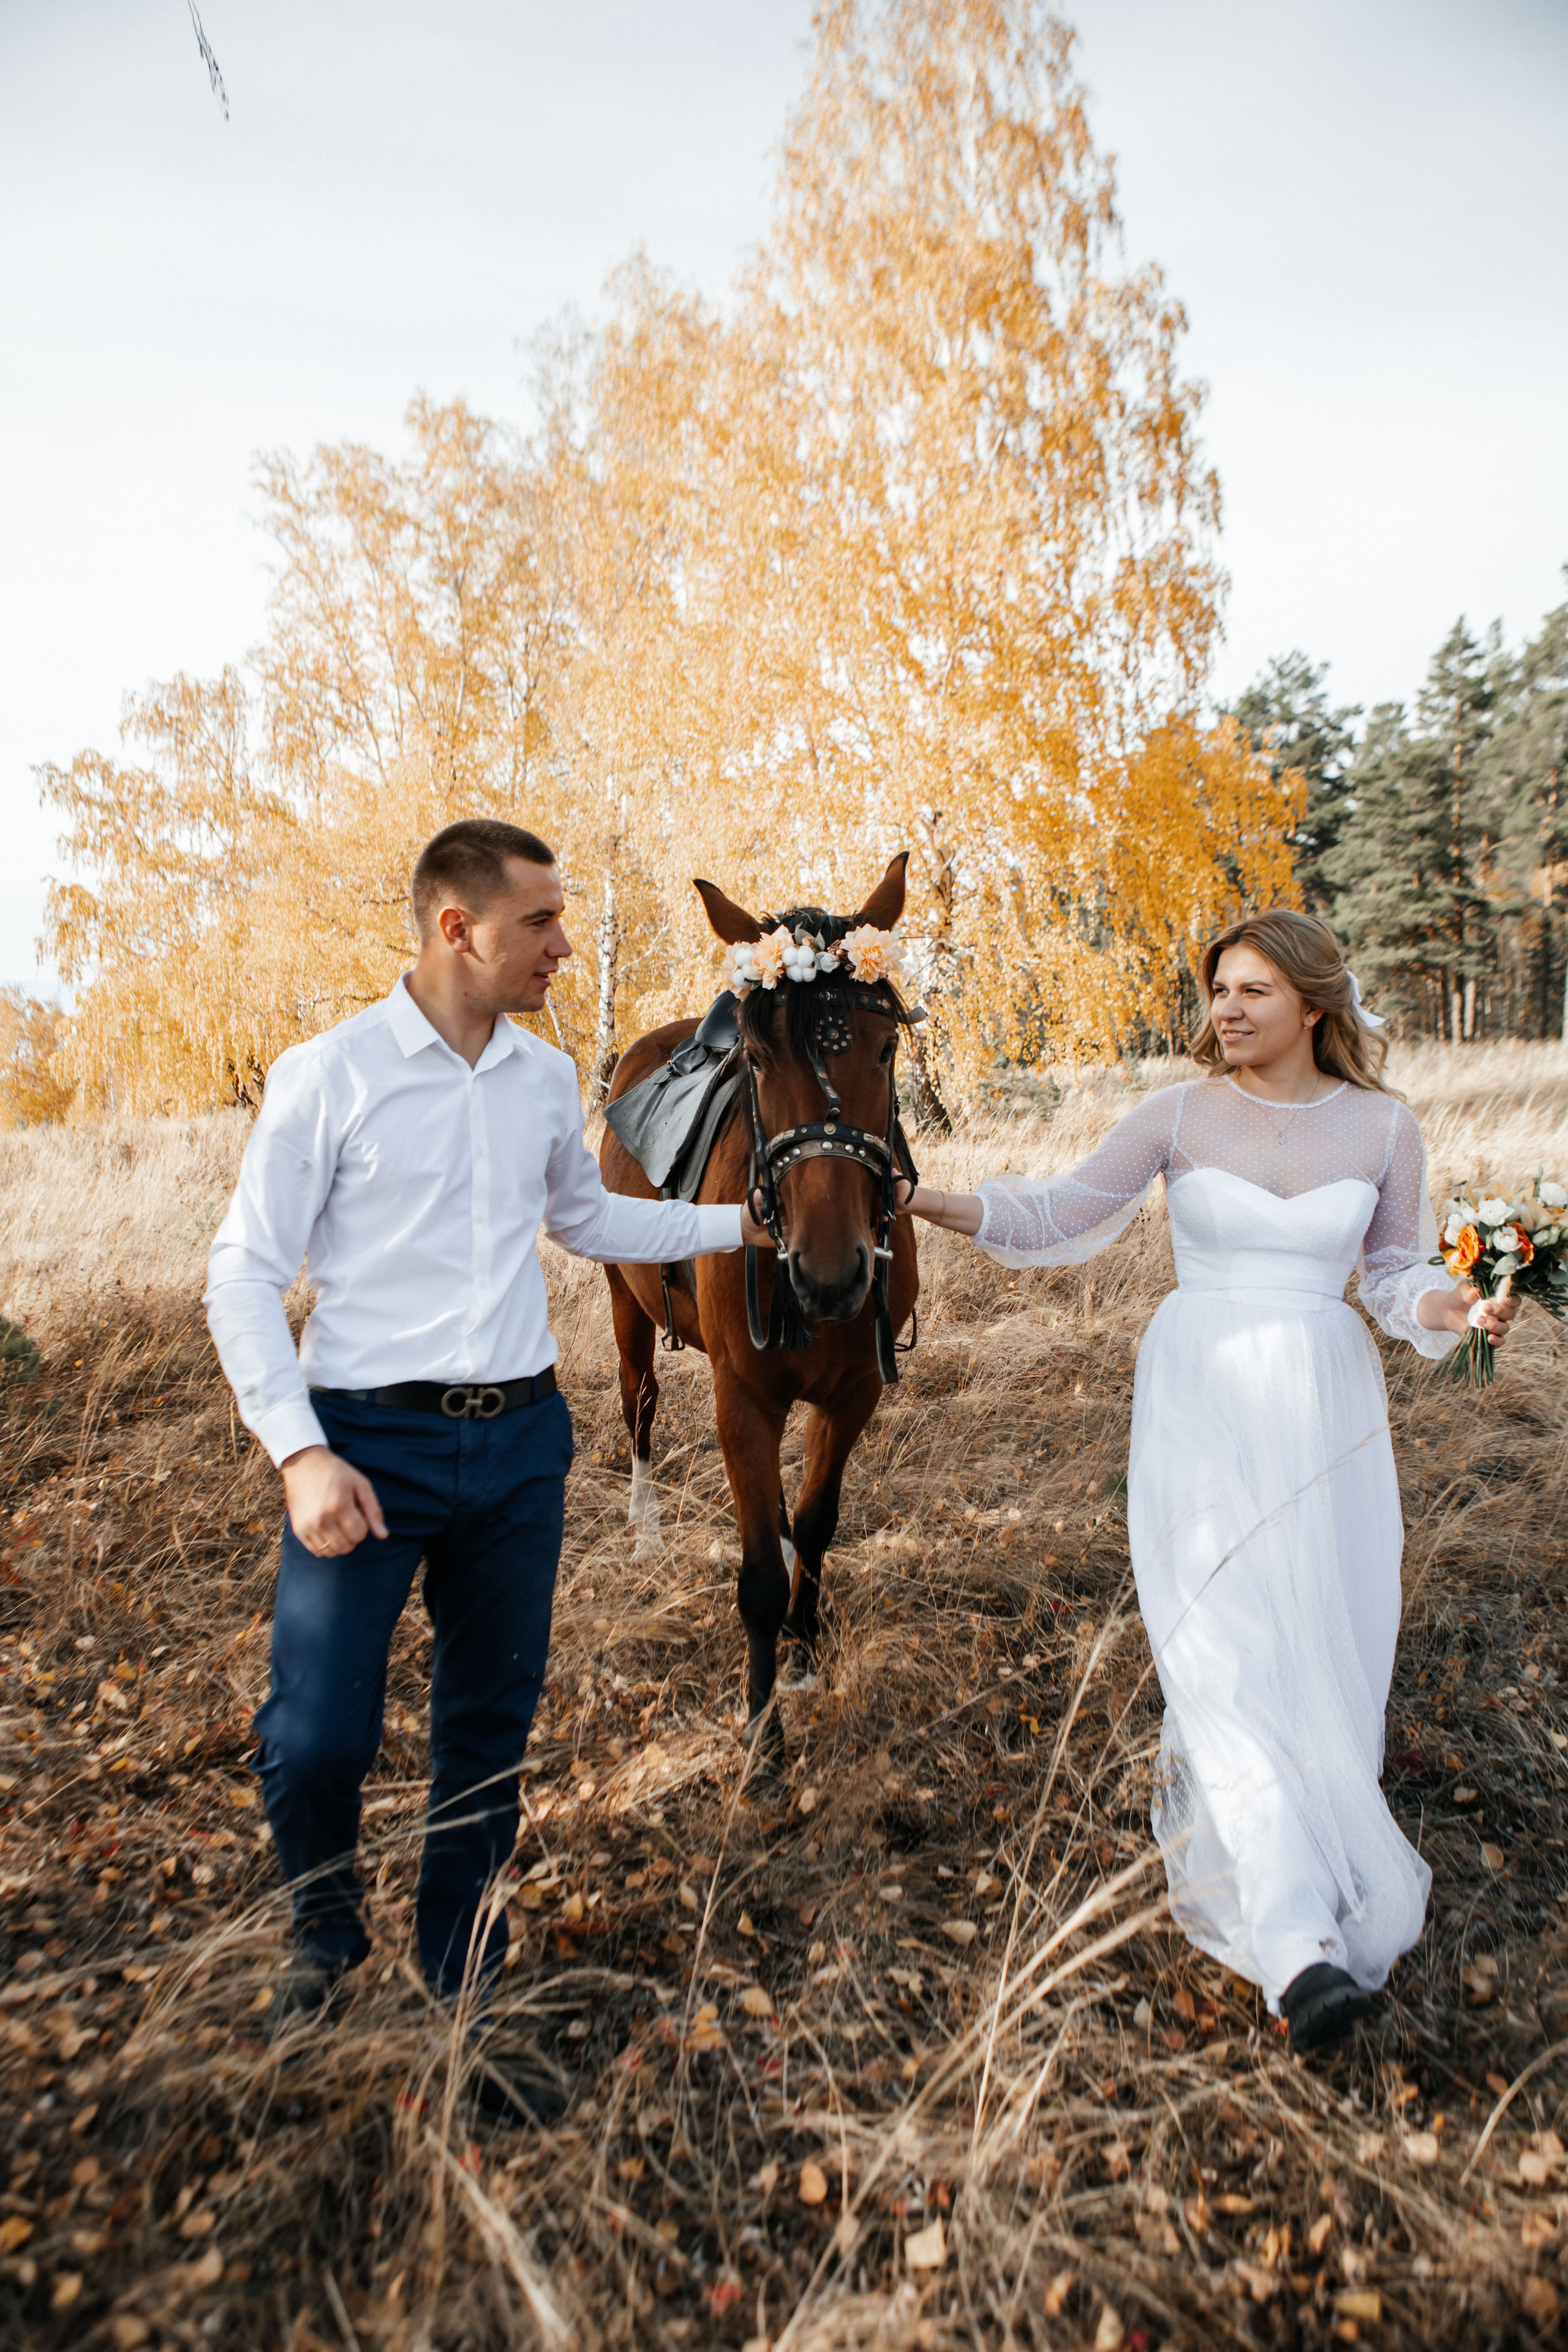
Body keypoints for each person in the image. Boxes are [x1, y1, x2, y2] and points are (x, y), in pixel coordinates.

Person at [205, 818, 767, 2094]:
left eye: (561, 922)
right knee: (314, 1737)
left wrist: (747, 1219)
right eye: (540, 924)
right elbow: (241, 1273)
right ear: (456, 929)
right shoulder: (329, 1074)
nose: (561, 946)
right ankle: (321, 1928)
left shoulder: (538, 1078)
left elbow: (582, 1215)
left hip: (517, 1444)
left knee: (486, 1732)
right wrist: (299, 1455)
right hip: (363, 1444)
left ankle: (460, 1974)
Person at [897, 910, 1519, 2052]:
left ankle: (1317, 1864)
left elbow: (1392, 1273)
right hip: (1200, 1401)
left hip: (1326, 1410)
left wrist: (1456, 1307)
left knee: (1321, 1646)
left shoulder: (1384, 1127)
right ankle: (1293, 1948)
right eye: (1220, 990)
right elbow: (1069, 1208)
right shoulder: (1178, 1113)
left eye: (1253, 992)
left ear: (1315, 1007)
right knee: (1220, 1651)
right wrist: (936, 1201)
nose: (1226, 1010)